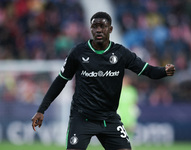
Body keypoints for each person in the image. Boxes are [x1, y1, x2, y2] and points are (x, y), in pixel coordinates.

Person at [31, 12, 175, 150]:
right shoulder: (78, 53)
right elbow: (60, 81)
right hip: (82, 118)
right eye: (95, 26)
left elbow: (148, 71)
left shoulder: (121, 53)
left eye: (103, 26)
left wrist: (164, 71)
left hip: (109, 119)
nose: (99, 30)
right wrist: (41, 110)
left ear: (110, 29)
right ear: (91, 29)